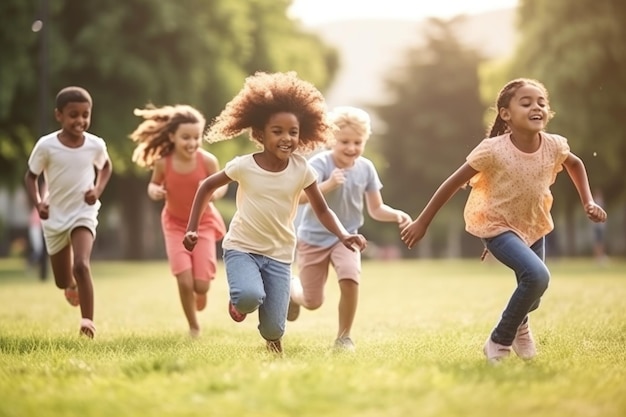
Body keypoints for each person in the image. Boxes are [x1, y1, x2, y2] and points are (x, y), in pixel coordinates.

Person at [400, 78, 607, 363]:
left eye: (541, 103)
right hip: (496, 226)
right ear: (505, 114)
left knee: (533, 294)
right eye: (526, 102)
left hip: (534, 225)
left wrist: (588, 201)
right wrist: (422, 222)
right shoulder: (492, 150)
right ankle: (500, 339)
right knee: (537, 276)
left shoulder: (554, 146)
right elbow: (451, 183)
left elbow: (575, 164)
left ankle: (520, 323)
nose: (536, 107)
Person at [183, 71, 367, 355]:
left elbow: (322, 209)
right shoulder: (244, 165)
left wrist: (344, 235)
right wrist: (192, 227)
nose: (286, 138)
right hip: (242, 248)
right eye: (277, 131)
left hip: (280, 255)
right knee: (248, 297)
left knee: (274, 329)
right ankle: (239, 301)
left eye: (293, 132)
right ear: (260, 134)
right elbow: (206, 185)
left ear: (302, 134)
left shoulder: (302, 170)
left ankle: (272, 340)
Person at [288, 106, 412, 352]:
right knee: (313, 302)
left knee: (350, 277)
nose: (351, 148)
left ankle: (344, 337)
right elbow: (299, 198)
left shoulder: (365, 168)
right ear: (331, 140)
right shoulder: (320, 164)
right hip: (313, 238)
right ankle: (294, 291)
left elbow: (376, 209)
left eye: (358, 142)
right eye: (344, 141)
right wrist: (328, 184)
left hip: (348, 237)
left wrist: (397, 214)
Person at [129, 104, 227, 338]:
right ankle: (194, 326)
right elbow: (154, 184)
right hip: (174, 225)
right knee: (184, 281)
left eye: (196, 137)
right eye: (185, 138)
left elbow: (220, 188)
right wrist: (153, 191)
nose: (192, 143)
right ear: (172, 136)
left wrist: (215, 194)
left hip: (202, 224)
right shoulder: (164, 163)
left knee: (200, 285)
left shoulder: (208, 161)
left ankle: (200, 292)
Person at [24, 86, 112, 338]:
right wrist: (39, 202)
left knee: (82, 265)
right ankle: (71, 285)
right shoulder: (47, 146)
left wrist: (97, 189)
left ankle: (88, 323)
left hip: (83, 212)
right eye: (74, 114)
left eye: (86, 114)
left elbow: (105, 167)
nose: (80, 120)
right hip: (54, 216)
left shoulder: (95, 144)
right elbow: (30, 177)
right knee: (62, 280)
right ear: (58, 115)